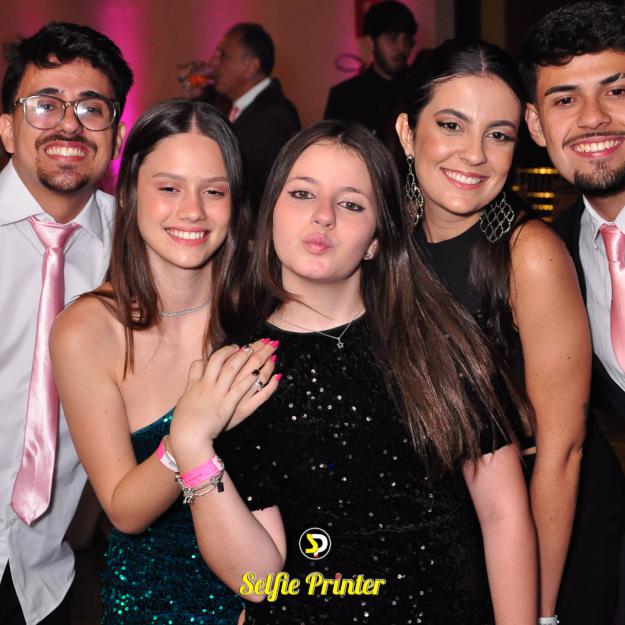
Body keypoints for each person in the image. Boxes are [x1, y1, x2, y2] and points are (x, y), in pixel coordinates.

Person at [168, 120, 537, 624]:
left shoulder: (441, 339)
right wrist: (191, 446)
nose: (323, 216)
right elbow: (257, 578)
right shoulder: (241, 368)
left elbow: (503, 514)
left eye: (351, 204)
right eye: (302, 194)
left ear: (375, 241)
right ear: (269, 215)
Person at [49, 99, 277, 624]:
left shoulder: (263, 315)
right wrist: (190, 433)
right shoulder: (87, 331)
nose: (192, 211)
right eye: (169, 188)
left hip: (269, 591)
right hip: (151, 604)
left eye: (214, 191)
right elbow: (123, 509)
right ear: (130, 194)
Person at [395, 39, 591, 625]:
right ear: (407, 133)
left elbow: (562, 451)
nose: (474, 154)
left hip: (545, 532)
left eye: (498, 135)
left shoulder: (530, 255)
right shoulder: (383, 247)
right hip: (445, 533)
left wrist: (541, 611)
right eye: (451, 125)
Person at [0, 22, 132, 625]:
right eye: (45, 104)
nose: (69, 125)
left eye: (91, 108)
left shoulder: (141, 250)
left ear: (117, 135)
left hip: (46, 581)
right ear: (8, 127)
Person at [520, 3, 625, 623]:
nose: (592, 118)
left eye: (617, 91)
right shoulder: (555, 255)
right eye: (565, 99)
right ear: (536, 124)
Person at [210, 23, 300, 215]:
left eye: (223, 56)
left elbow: (261, 188)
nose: (212, 63)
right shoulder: (229, 106)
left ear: (251, 67)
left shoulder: (275, 115)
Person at [324, 0, 417, 145]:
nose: (401, 48)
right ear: (370, 42)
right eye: (392, 39)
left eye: (407, 40)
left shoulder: (421, 89)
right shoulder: (345, 96)